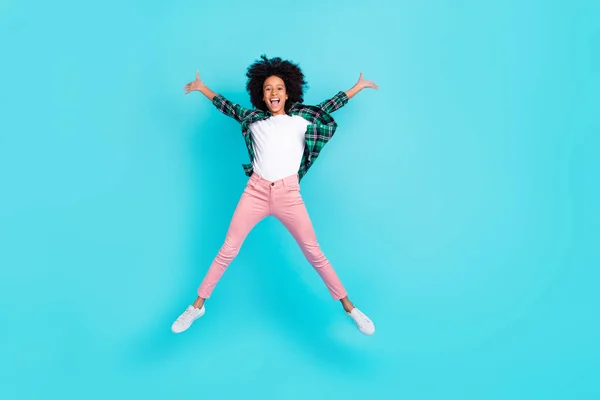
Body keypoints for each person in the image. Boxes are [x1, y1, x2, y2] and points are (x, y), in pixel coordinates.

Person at [172, 55, 378, 335]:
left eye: (279, 88)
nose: (274, 93)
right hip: (255, 192)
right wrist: (202, 87)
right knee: (227, 250)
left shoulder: (301, 119)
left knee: (315, 254)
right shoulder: (253, 119)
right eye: (268, 88)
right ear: (261, 94)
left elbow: (332, 104)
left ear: (288, 91)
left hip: (288, 195)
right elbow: (227, 106)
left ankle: (350, 308)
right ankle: (197, 306)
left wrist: (357, 87)